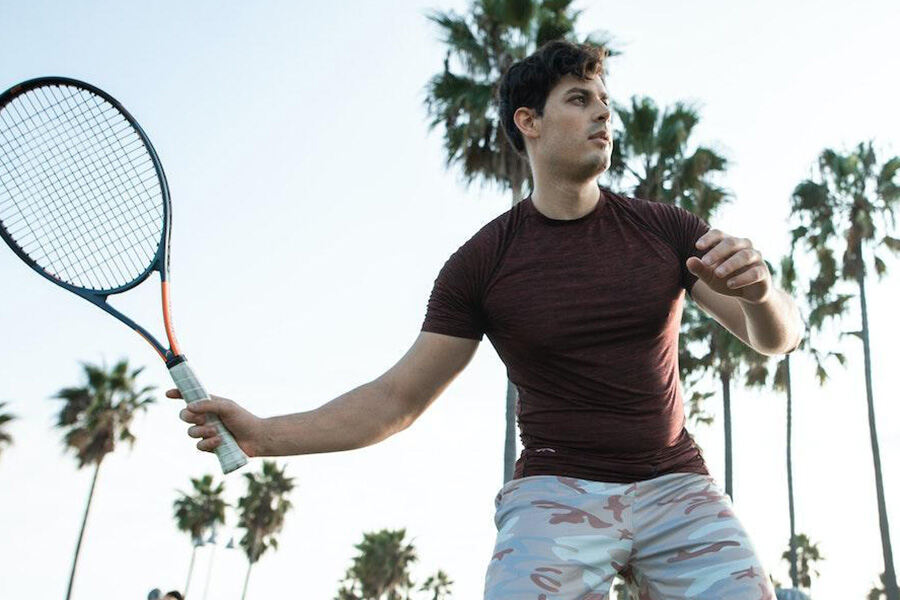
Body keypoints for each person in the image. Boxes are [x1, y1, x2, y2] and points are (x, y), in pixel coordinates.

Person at [169, 39, 802, 599]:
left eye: (603, 100)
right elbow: (395, 400)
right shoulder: (482, 263)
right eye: (579, 99)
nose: (603, 112)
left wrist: (759, 291)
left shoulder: (665, 229)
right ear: (528, 121)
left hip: (677, 487)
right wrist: (260, 434)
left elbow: (777, 338)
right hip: (555, 492)